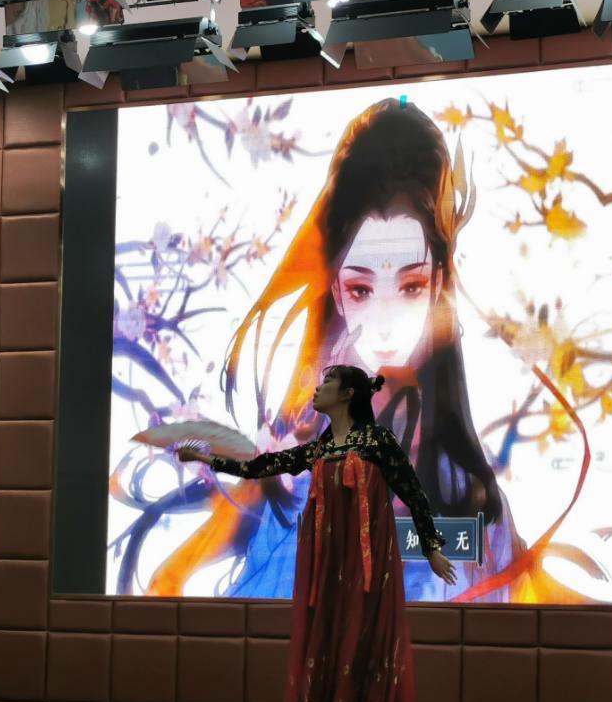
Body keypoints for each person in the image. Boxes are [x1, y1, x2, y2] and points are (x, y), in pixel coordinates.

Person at [140, 98, 525, 602]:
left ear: (436, 285)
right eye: (362, 289)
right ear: (338, 293)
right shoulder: (299, 460)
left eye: (409, 286)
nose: (385, 321)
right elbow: (167, 578)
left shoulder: (470, 495)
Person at [178, 365, 454, 702]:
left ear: (346, 394)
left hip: (368, 572)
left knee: (364, 656)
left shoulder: (377, 442)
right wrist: (207, 459)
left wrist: (432, 547)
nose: (317, 389)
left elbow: (413, 492)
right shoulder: (321, 447)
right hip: (327, 572)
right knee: (326, 653)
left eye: (326, 383)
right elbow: (262, 467)